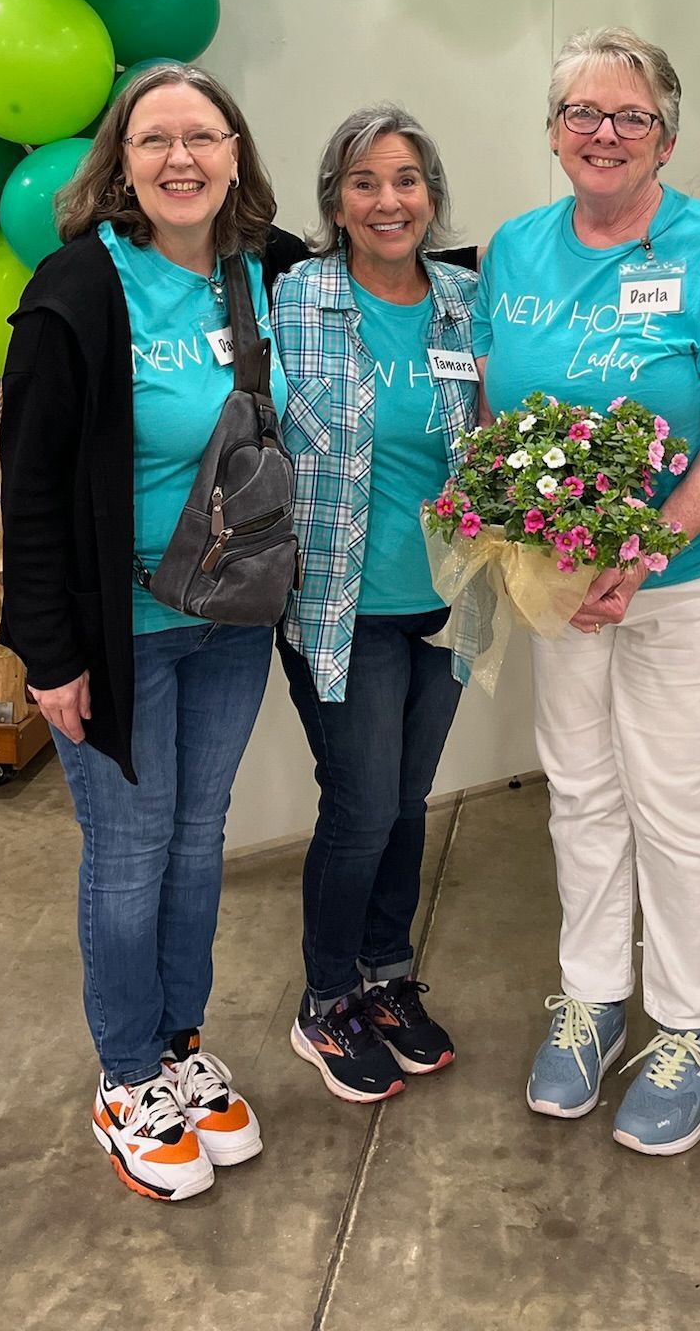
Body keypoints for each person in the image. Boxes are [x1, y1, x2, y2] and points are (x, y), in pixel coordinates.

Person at [472, 27, 700, 1157]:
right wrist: (522, 526)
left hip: (691, 575)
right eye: (581, 114)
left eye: (629, 116)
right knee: (580, 784)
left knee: (673, 794)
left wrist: (644, 546)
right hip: (557, 580)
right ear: (554, 131)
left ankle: (692, 1025)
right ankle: (593, 993)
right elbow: (495, 413)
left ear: (667, 132)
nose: (603, 134)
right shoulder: (514, 249)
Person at [0, 61, 291, 1204]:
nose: (181, 158)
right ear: (120, 161)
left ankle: (177, 1041)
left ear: (235, 154)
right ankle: (125, 1073)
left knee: (198, 834)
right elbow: (26, 485)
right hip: (116, 630)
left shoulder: (263, 271)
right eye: (155, 138)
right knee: (127, 850)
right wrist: (49, 649)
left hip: (229, 618)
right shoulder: (77, 287)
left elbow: (396, 263)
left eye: (203, 137)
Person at [272, 107, 479, 1104]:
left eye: (405, 179)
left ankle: (387, 975)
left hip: (444, 603)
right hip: (335, 603)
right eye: (363, 181)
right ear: (335, 201)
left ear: (432, 196)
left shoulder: (467, 305)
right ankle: (325, 999)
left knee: (405, 802)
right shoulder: (291, 298)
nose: (387, 199)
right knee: (358, 808)